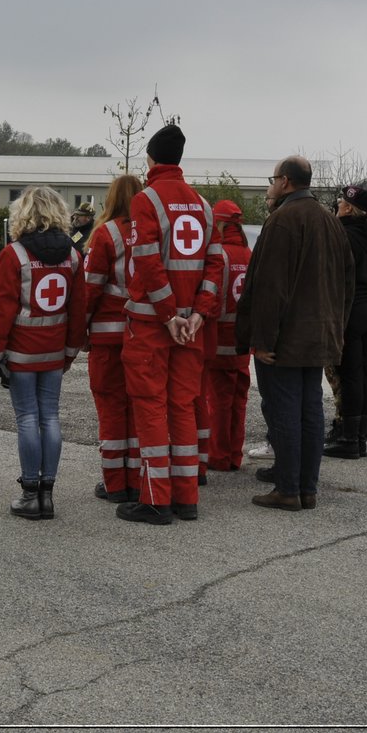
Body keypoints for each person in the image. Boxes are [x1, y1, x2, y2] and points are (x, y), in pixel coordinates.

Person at [116, 123, 224, 525]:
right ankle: (185, 497)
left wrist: (168, 315)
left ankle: (155, 499)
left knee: (150, 407)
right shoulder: (202, 203)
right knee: (182, 407)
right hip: (191, 328)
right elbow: (215, 265)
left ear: (151, 158)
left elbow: (146, 260)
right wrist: (197, 313)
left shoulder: (147, 200)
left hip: (151, 326)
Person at [236, 156, 353, 512]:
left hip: (286, 338)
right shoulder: (331, 221)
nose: (270, 186)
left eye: (272, 180)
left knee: (284, 411)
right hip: (319, 335)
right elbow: (346, 282)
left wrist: (263, 339)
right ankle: (307, 487)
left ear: (286, 181)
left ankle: (288, 488)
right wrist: (337, 330)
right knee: (310, 411)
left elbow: (271, 287)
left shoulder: (284, 220)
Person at [0, 186, 87, 520]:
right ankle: (47, 495)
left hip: (22, 352)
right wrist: (70, 352)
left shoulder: (13, 255)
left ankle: (30, 494)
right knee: (50, 416)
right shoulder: (73, 256)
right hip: (55, 351)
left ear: (22, 213)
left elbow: (2, 308)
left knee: (27, 417)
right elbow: (78, 309)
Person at [84, 173, 143, 503]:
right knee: (136, 409)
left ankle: (114, 484)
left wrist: (80, 330)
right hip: (142, 334)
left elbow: (90, 288)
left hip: (107, 338)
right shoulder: (151, 231)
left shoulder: (105, 234)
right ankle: (135, 480)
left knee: (110, 408)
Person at [326, 185, 367, 459]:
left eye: (341, 202)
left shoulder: (341, 236)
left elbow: (334, 280)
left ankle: (348, 439)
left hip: (351, 311)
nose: (338, 205)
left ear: (349, 209)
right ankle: (360, 436)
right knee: (366, 374)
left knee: (350, 374)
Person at [200, 200, 253, 472]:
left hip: (220, 340)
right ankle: (234, 454)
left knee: (217, 402)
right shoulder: (248, 252)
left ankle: (218, 456)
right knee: (238, 401)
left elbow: (212, 299)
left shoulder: (218, 255)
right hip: (243, 342)